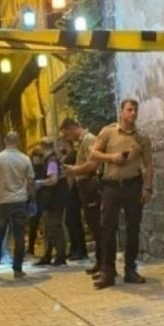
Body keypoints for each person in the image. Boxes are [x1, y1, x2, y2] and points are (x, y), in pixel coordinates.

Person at [89, 99, 154, 290]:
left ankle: (130, 269)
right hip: (111, 186)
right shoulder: (108, 132)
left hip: (133, 185)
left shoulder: (141, 137)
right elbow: (93, 153)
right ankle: (108, 271)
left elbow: (149, 165)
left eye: (135, 110)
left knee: (133, 227)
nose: (133, 113)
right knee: (108, 228)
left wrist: (148, 188)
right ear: (122, 111)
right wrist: (110, 157)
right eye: (129, 110)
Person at [0, 132, 35, 279]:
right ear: (18, 141)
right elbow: (30, 182)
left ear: (5, 140)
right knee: (19, 236)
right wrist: (32, 200)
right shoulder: (25, 159)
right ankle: (17, 269)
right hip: (20, 201)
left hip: (3, 202)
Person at [61, 118, 103, 276]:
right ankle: (100, 262)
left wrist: (74, 170)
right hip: (85, 188)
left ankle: (105, 265)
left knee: (98, 226)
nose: (68, 138)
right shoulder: (83, 142)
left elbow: (93, 164)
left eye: (67, 134)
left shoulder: (89, 140)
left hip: (90, 186)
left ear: (72, 128)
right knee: (93, 225)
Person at [33, 137, 69, 267]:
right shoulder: (50, 160)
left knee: (55, 228)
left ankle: (60, 256)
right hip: (52, 199)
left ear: (42, 147)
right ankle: (47, 255)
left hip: (54, 200)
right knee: (48, 229)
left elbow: (53, 180)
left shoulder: (52, 161)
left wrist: (39, 183)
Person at [61, 138, 88, 261]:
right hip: (76, 191)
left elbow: (70, 177)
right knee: (72, 220)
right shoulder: (74, 154)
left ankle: (79, 250)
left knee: (72, 220)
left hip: (72, 193)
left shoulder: (69, 157)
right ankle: (75, 248)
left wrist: (68, 190)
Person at [26, 147, 44, 256]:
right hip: (34, 199)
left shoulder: (43, 168)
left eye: (38, 158)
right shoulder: (32, 169)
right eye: (34, 158)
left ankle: (32, 248)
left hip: (41, 198)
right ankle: (31, 248)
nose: (36, 160)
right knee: (32, 224)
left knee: (36, 224)